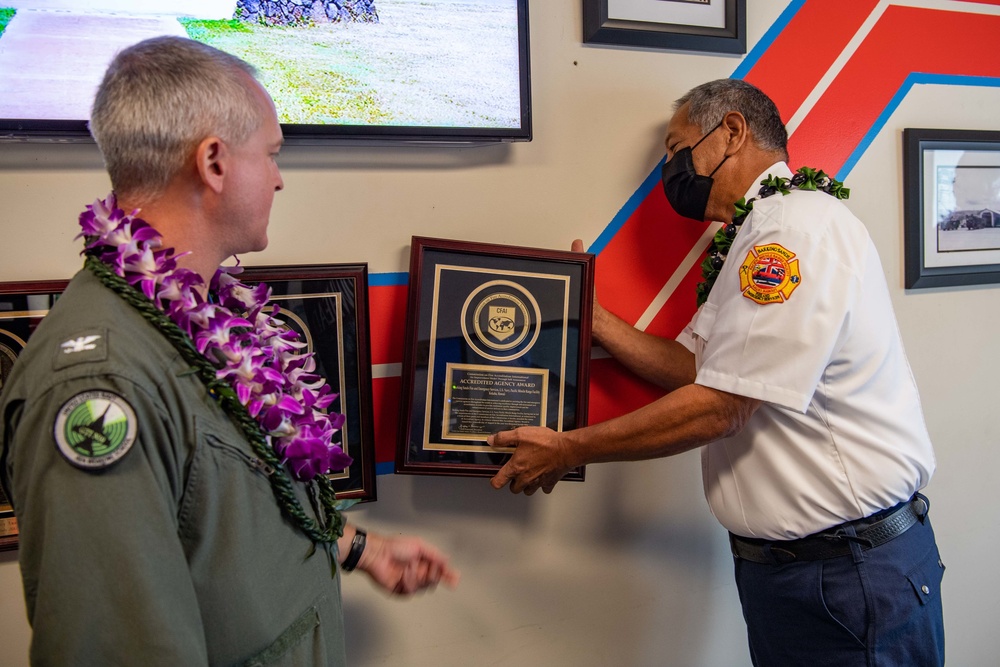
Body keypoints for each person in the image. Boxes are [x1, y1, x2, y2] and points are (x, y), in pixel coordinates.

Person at [0, 36, 457, 666]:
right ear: (214, 162)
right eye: (270, 154)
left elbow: (222, 507)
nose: (279, 178)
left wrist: (357, 547)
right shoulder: (102, 384)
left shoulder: (207, 316)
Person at [488, 79, 944, 666]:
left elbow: (724, 404)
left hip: (846, 572)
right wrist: (596, 321)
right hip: (799, 572)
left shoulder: (791, 231)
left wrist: (568, 449)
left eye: (677, 148)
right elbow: (698, 369)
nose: (670, 169)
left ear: (730, 131)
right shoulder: (750, 237)